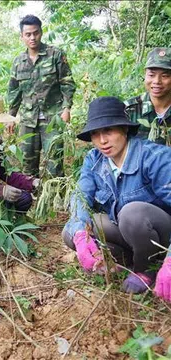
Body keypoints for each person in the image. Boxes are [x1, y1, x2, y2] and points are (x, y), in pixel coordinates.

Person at [62, 96, 171, 300]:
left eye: (109, 131)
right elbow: (81, 196)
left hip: (161, 235)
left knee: (132, 214)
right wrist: (80, 235)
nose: (102, 141)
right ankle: (119, 263)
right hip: (128, 233)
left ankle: (146, 269)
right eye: (95, 134)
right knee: (71, 231)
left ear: (124, 129)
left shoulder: (154, 157)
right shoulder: (94, 160)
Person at [7, 14, 76, 177]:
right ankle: (30, 199)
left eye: (35, 33)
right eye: (28, 34)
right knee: (27, 163)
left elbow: (67, 83)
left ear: (41, 32)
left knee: (54, 163)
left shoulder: (56, 55)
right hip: (28, 120)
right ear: (22, 36)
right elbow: (14, 91)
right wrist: (11, 116)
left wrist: (66, 109)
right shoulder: (18, 62)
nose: (32, 38)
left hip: (53, 117)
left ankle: (55, 198)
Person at [125, 47, 171, 146]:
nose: (157, 81)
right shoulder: (129, 110)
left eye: (165, 76)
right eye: (151, 75)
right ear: (145, 75)